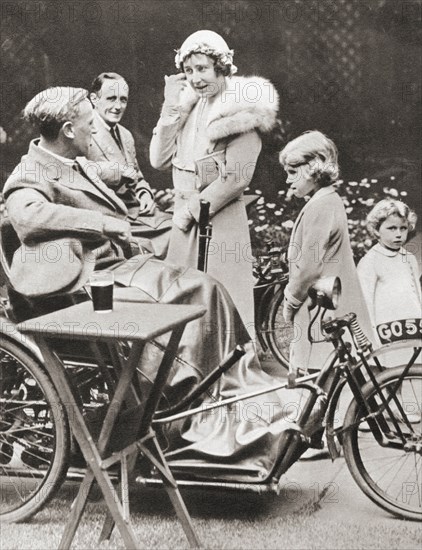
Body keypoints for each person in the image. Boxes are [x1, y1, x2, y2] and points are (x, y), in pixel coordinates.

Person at [3, 87, 304, 479]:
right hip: (84, 284)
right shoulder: (29, 173)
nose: (96, 131)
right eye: (88, 124)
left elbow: (110, 189)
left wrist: (128, 197)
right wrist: (107, 224)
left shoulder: (72, 162)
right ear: (67, 130)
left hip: (115, 267)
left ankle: (236, 404)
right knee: (185, 296)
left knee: (207, 288)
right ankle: (184, 423)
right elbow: (29, 218)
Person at [150, 30, 279, 335]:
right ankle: (186, 370)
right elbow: (158, 159)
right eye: (189, 70)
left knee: (221, 293)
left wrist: (190, 210)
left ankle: (228, 368)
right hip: (186, 221)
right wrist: (170, 107)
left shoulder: (238, 110)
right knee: (183, 296)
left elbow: (236, 178)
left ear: (221, 68)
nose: (195, 78)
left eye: (203, 69)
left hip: (218, 219)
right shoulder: (187, 107)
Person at [279, 130, 374, 374]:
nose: (288, 180)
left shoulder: (320, 205)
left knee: (323, 374)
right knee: (335, 374)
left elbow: (310, 268)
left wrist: (290, 301)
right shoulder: (328, 200)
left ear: (314, 166)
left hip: (323, 307)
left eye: (292, 172)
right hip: (330, 301)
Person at [88, 72, 172, 258]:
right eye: (111, 99)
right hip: (111, 219)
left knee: (183, 228)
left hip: (137, 212)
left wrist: (145, 195)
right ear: (94, 99)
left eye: (123, 100)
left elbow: (137, 176)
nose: (118, 106)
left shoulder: (125, 134)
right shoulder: (84, 132)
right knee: (176, 234)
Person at [357, 199, 421, 338]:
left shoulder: (409, 258)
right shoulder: (369, 261)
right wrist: (372, 336)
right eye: (392, 228)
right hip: (386, 332)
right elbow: (365, 305)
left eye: (403, 228)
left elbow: (417, 295)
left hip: (414, 328)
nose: (398, 234)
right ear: (376, 230)